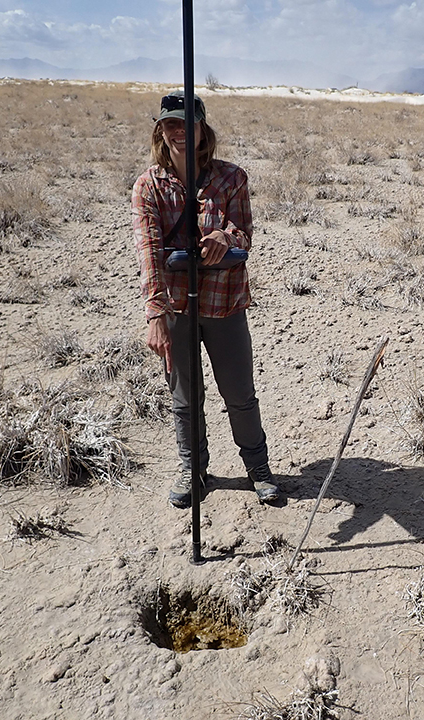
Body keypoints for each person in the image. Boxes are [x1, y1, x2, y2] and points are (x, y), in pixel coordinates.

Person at [131, 90, 278, 509]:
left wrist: (223, 237)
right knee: (185, 398)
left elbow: (244, 233)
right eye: (170, 124)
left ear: (202, 129)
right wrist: (155, 314)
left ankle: (258, 469)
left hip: (224, 303)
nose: (179, 131)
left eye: (187, 123)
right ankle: (192, 469)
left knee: (239, 393)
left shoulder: (232, 178)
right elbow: (149, 253)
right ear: (161, 131)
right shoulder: (148, 186)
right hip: (176, 307)